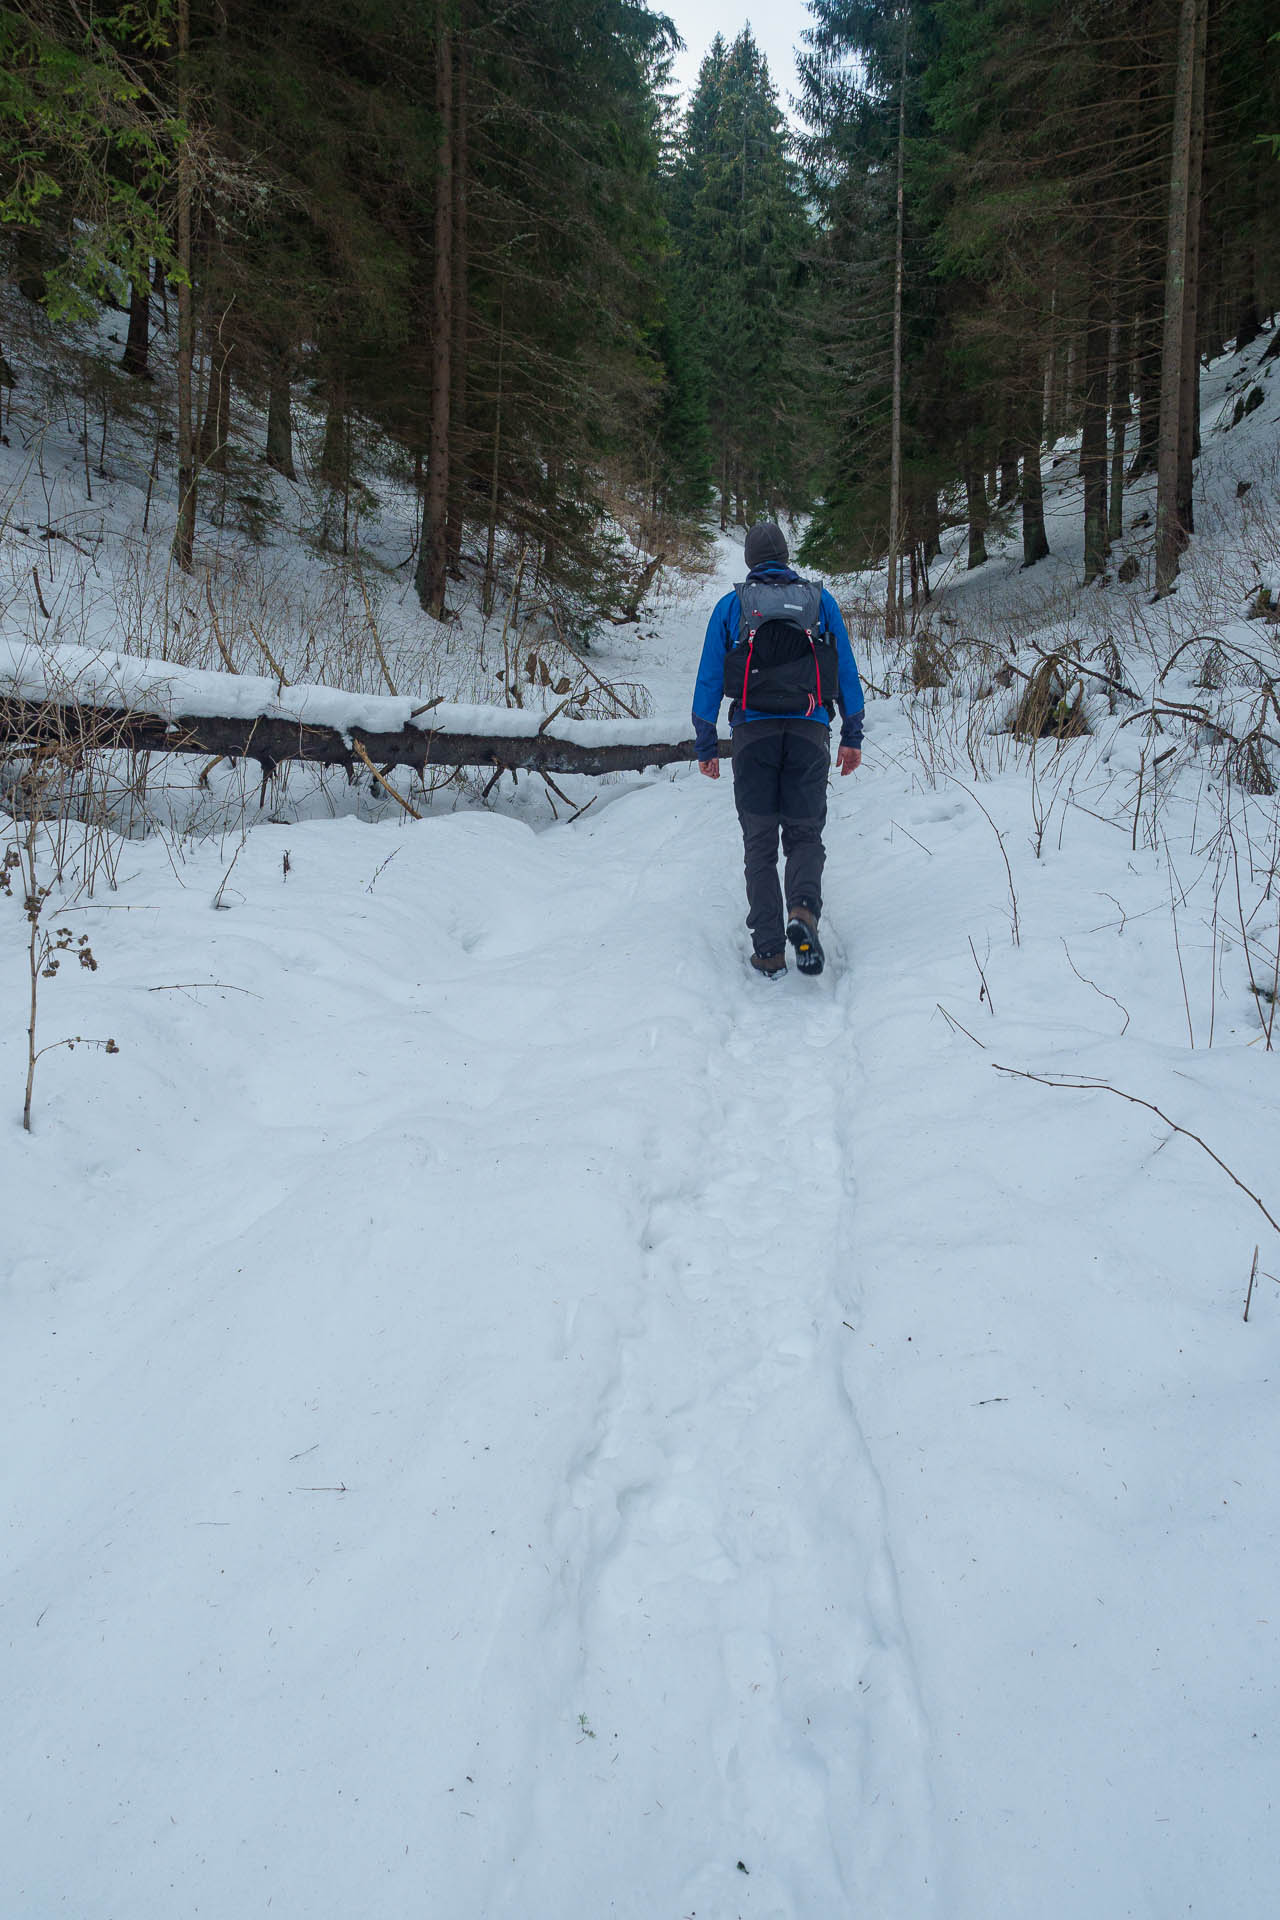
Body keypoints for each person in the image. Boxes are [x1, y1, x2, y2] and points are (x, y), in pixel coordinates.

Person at [692, 521, 864, 977]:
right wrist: (852, 734)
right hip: (809, 733)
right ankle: (803, 911)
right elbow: (844, 669)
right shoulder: (819, 602)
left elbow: (710, 676)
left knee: (760, 843)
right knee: (805, 834)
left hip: (753, 736)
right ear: (786, 556)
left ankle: (768, 950)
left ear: (750, 560)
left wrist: (706, 741)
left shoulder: (733, 606)